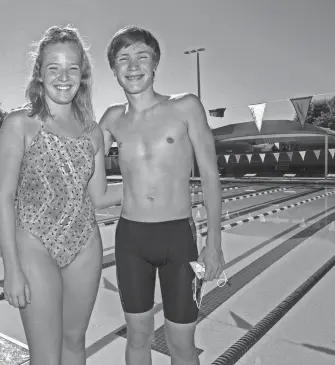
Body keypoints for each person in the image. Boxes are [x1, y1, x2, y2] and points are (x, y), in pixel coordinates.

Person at [0, 25, 121, 365]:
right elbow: (4, 199)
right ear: (39, 74)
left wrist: (149, 186)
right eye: (54, 68)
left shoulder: (93, 132)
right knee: (46, 356)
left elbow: (98, 196)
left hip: (85, 243)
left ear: (84, 74)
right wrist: (11, 268)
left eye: (72, 68)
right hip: (34, 243)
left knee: (75, 343)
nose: (64, 77)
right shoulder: (20, 124)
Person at [99, 26, 225, 365]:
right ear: (113, 70)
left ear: (155, 64)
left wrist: (214, 244)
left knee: (181, 343)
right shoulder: (111, 119)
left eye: (142, 56)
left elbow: (211, 175)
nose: (133, 65)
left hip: (178, 239)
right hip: (131, 239)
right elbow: (90, 181)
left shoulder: (185, 106)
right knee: (138, 338)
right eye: (123, 59)